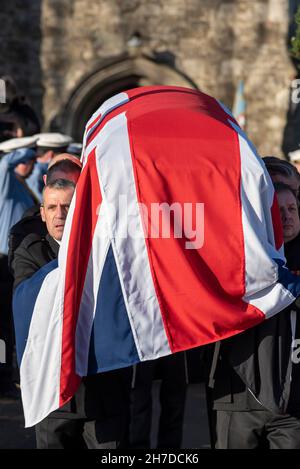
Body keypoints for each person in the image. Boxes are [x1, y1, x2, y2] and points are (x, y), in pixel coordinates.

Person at [12, 179, 131, 449]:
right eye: (52, 207)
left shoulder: (108, 248)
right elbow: (26, 301)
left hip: (104, 388)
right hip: (52, 392)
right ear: (42, 213)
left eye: (66, 206)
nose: (59, 215)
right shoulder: (30, 252)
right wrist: (76, 263)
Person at [208, 182, 300, 449]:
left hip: (292, 403)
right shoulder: (233, 254)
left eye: (292, 208)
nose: (286, 216)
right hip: (238, 394)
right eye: (277, 210)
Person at [0, 136, 38, 398]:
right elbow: (5, 162)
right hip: (1, 263)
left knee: (8, 326)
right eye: (27, 159)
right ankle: (2, 378)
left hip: (13, 262)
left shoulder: (22, 184)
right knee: (3, 327)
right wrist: (28, 144)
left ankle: (5, 375)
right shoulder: (4, 177)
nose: (31, 162)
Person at [129, 352, 187, 448]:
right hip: (145, 341)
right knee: (139, 399)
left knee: (174, 397)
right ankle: (138, 445)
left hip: (175, 340)